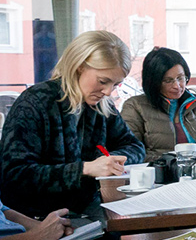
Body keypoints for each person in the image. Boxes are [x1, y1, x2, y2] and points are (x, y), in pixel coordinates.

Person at [0, 31, 145, 218]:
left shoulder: (101, 107)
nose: (108, 92)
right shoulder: (35, 102)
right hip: (36, 217)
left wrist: (111, 161)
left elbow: (135, 147)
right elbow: (15, 176)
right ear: (79, 67)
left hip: (83, 208)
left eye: (116, 84)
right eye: (103, 81)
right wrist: (86, 168)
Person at [121, 47, 196, 162]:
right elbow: (131, 153)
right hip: (160, 176)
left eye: (180, 78)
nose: (177, 86)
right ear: (154, 82)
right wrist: (175, 161)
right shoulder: (135, 106)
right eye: (168, 81)